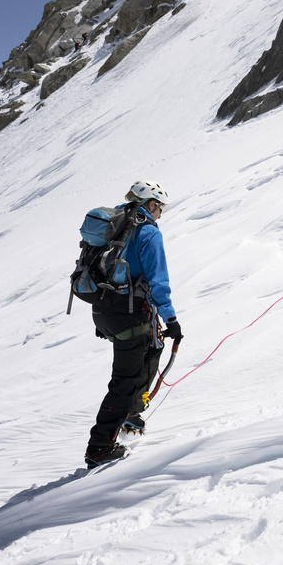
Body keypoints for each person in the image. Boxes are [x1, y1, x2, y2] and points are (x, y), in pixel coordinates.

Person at [85, 180, 183, 469]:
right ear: (151, 204)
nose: (161, 214)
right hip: (129, 313)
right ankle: (100, 447)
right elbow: (158, 281)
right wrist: (172, 320)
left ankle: (132, 413)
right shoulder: (147, 232)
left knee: (149, 352)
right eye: (160, 207)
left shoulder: (113, 224)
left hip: (105, 310)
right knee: (124, 382)